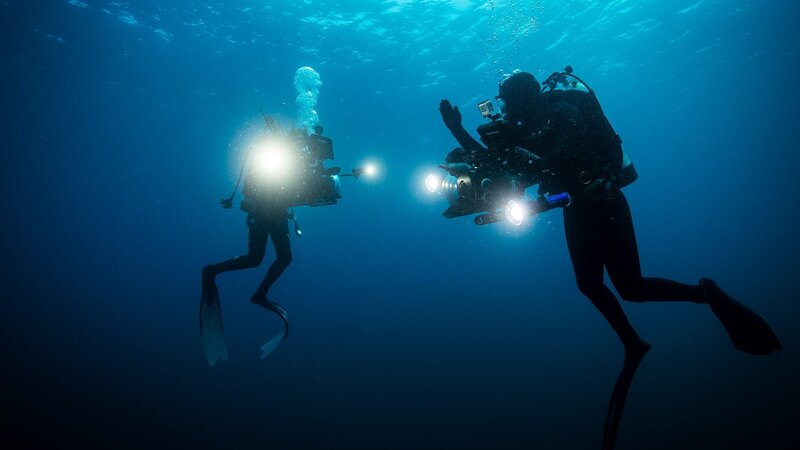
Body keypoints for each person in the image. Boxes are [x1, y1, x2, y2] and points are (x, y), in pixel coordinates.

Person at [439, 69, 781, 449]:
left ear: (526, 97)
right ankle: (633, 344)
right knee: (588, 284)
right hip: (573, 206)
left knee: (631, 287)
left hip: (604, 201)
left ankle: (707, 294)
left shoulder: (564, 111)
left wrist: (525, 165)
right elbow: (493, 168)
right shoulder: (524, 125)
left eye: (508, 101)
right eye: (502, 103)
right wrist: (458, 129)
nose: (505, 110)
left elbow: (558, 157)